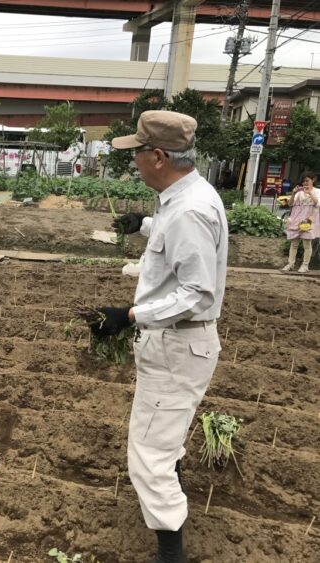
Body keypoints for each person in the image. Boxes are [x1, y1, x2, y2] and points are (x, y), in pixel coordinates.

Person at [96, 110, 228, 563]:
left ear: (157, 156)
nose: (134, 161)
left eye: (137, 153)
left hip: (177, 343)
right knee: (163, 436)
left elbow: (195, 293)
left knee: (148, 455)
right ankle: (171, 500)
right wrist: (143, 224)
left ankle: (170, 551)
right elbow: (177, 237)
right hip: (178, 346)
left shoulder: (189, 209)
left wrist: (130, 315)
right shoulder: (185, 198)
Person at [282, 171, 320, 273]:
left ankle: (305, 265)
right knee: (294, 243)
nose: (305, 184)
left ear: (313, 180)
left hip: (309, 220)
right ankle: (290, 264)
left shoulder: (317, 191)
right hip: (297, 219)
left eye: (307, 181)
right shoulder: (299, 192)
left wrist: (310, 193)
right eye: (303, 182)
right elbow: (290, 204)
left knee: (307, 244)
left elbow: (317, 204)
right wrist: (294, 193)